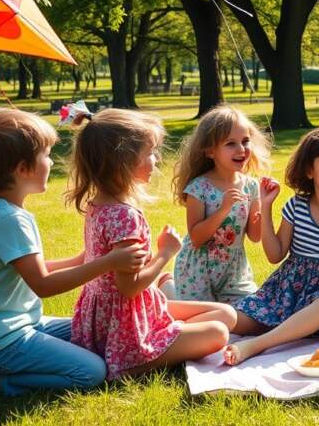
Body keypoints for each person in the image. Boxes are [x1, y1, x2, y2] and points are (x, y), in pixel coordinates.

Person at [0, 107, 146, 396]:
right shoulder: (8, 219)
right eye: (47, 155)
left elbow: (34, 270)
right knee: (91, 371)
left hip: (14, 327)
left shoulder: (0, 210)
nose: (51, 162)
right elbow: (43, 285)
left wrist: (82, 259)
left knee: (92, 335)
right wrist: (107, 262)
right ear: (22, 169)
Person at [67, 108, 236, 379]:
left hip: (118, 316)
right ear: (124, 161)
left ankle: (169, 334)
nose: (156, 160)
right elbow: (130, 288)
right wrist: (165, 252)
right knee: (219, 331)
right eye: (150, 153)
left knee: (226, 313)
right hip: (127, 329)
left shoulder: (98, 204)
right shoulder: (124, 215)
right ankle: (131, 364)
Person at [224, 125, 319, 366]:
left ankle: (256, 345)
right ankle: (177, 323)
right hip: (290, 291)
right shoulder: (297, 206)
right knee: (232, 317)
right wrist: (266, 206)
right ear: (309, 171)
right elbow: (275, 255)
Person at [172, 105, 272, 304]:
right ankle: (168, 288)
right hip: (197, 273)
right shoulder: (199, 187)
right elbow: (196, 237)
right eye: (230, 144)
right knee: (207, 319)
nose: (241, 149)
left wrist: (265, 205)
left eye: (245, 141)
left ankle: (171, 290)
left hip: (234, 273)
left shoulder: (251, 186)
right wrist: (223, 209)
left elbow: (254, 236)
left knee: (255, 312)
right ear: (210, 151)